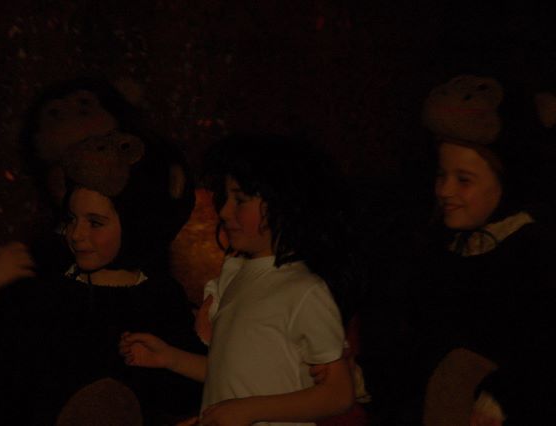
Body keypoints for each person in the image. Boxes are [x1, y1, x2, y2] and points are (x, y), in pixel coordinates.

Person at [0, 130, 205, 425]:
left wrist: (182, 353)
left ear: (136, 225)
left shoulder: (159, 298)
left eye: (95, 223)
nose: (77, 234)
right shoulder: (47, 287)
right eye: (72, 219)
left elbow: (182, 395)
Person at [120, 134, 360, 425]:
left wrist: (246, 411)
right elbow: (232, 374)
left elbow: (338, 395)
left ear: (285, 204)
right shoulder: (235, 276)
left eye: (240, 200)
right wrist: (170, 358)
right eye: (226, 198)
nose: (223, 211)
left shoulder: (305, 290)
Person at [387, 74, 556, 425]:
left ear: (506, 185)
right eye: (441, 175)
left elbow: (540, 352)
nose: (445, 191)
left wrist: (503, 397)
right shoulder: (438, 250)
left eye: (464, 180)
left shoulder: (535, 257)